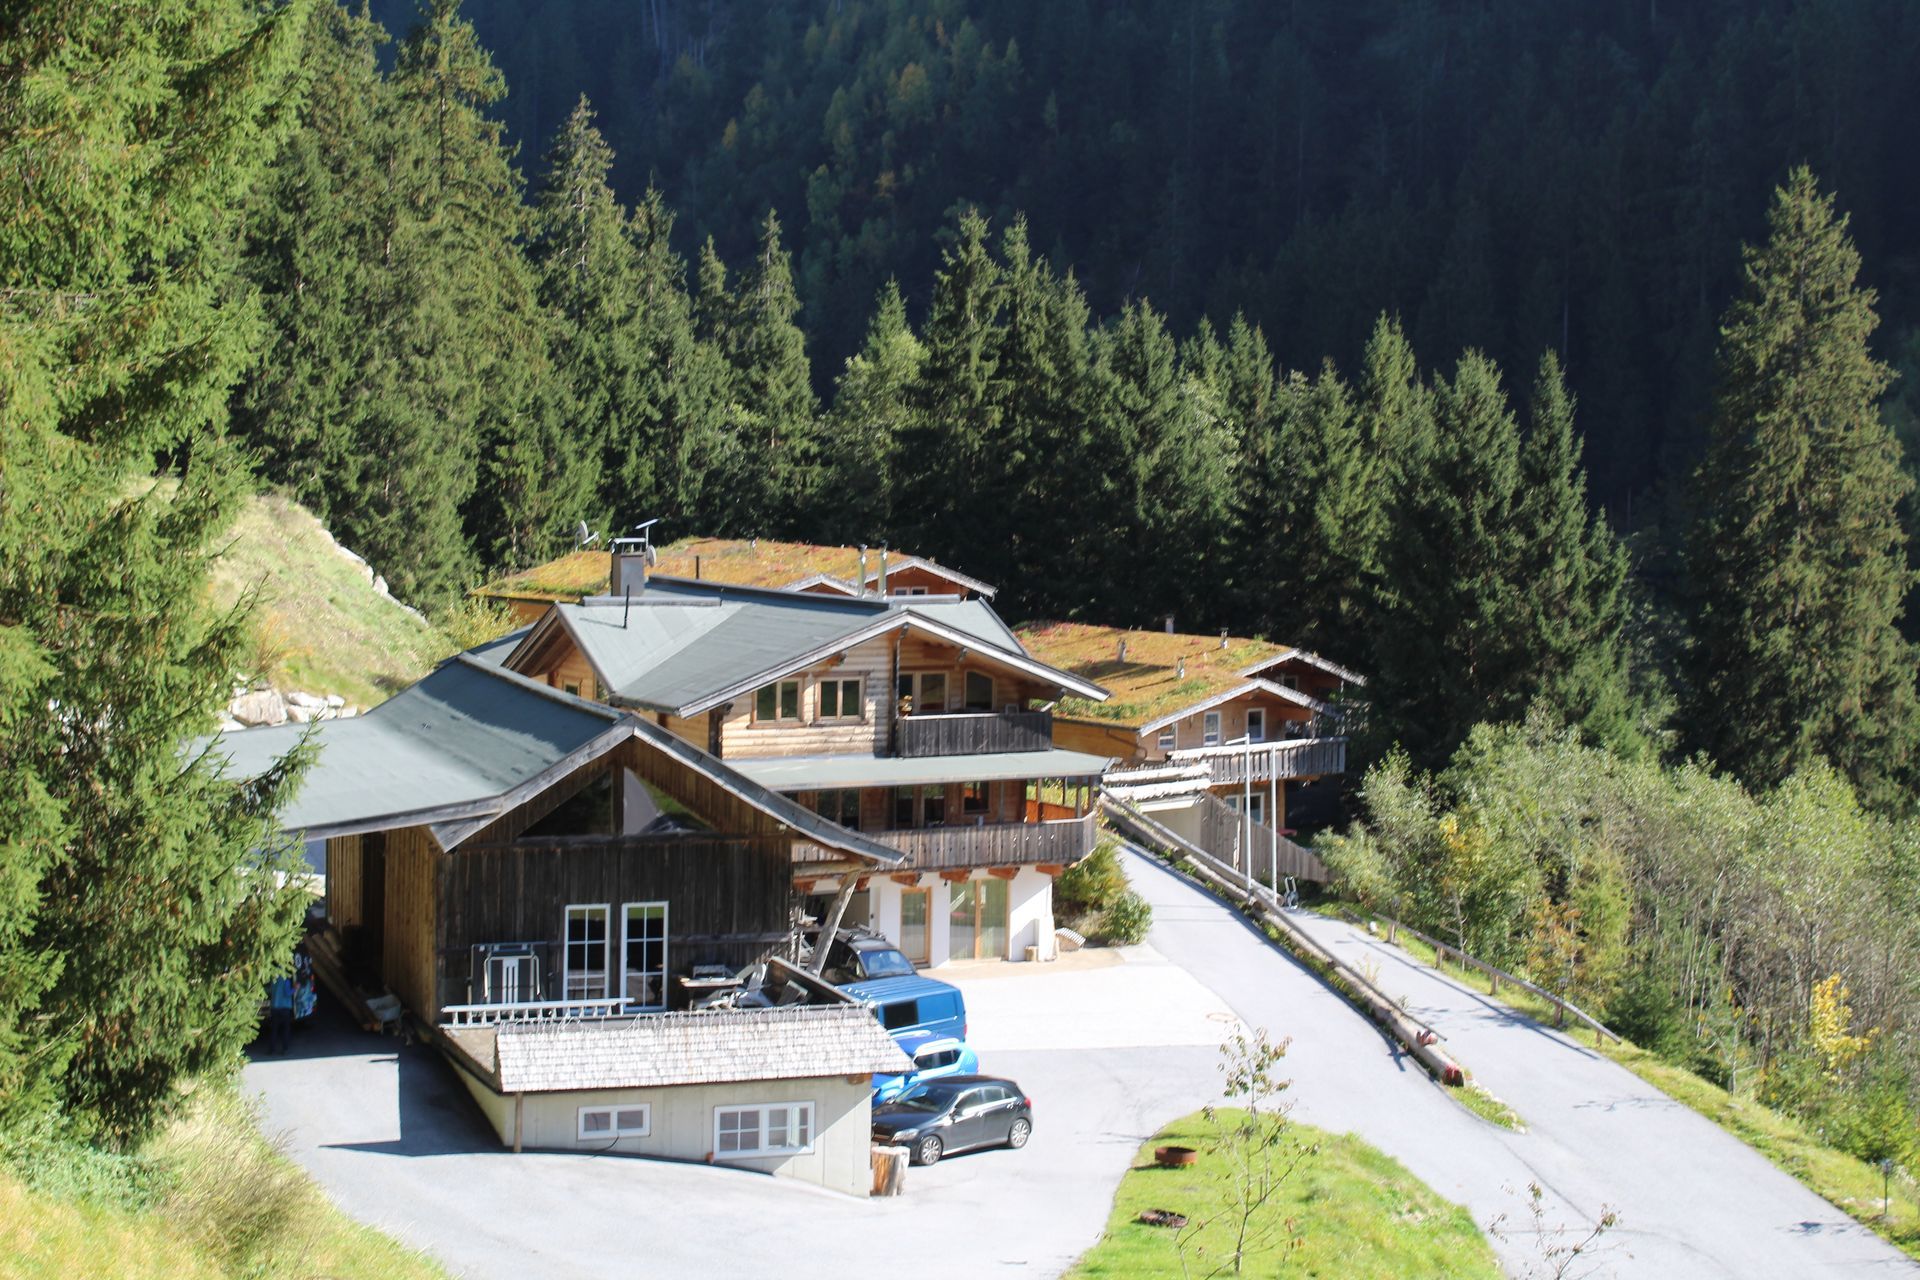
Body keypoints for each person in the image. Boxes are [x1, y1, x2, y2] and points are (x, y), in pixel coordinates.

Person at [267, 972, 295, 1055]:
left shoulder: (273, 979)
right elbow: (287, 993)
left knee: (274, 1030)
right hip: (285, 1008)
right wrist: (295, 988)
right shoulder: (286, 979)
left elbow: (270, 991)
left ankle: (272, 1050)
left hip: (274, 1007)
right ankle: (284, 1049)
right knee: (285, 1029)